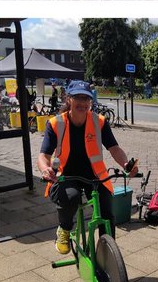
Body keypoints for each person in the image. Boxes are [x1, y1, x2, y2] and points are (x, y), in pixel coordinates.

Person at [36, 80, 139, 254]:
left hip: (94, 175)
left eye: (86, 99)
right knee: (71, 197)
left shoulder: (99, 122)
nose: (83, 103)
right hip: (66, 175)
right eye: (78, 98)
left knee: (106, 211)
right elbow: (43, 156)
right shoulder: (56, 123)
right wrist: (45, 169)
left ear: (91, 101)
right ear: (69, 99)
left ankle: (108, 253)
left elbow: (114, 148)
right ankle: (64, 229)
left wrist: (126, 164)